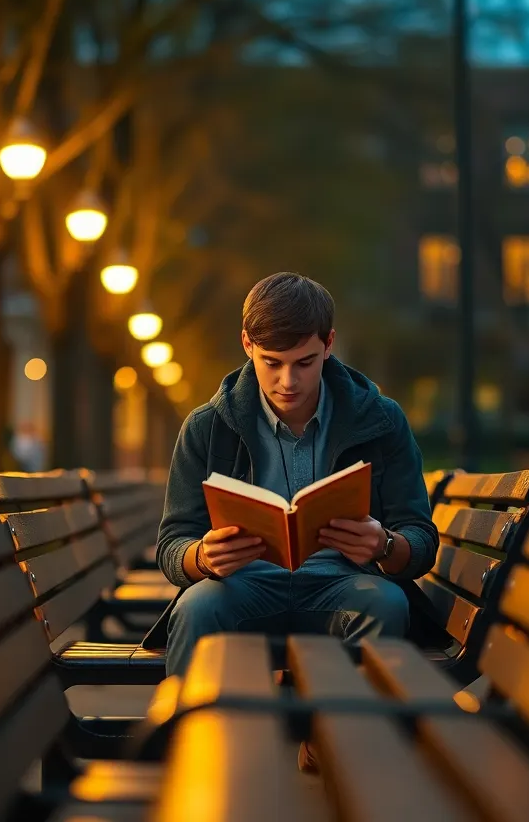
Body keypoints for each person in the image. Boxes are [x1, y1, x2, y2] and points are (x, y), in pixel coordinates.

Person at [155, 272, 438, 770]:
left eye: (305, 362)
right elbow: (172, 545)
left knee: (387, 603)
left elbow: (420, 537)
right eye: (272, 363)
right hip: (244, 587)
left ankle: (346, 754)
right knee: (198, 609)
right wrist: (201, 557)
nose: (289, 381)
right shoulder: (206, 427)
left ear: (329, 344)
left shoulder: (382, 420)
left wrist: (383, 544)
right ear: (247, 345)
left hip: (342, 585)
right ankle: (195, 761)